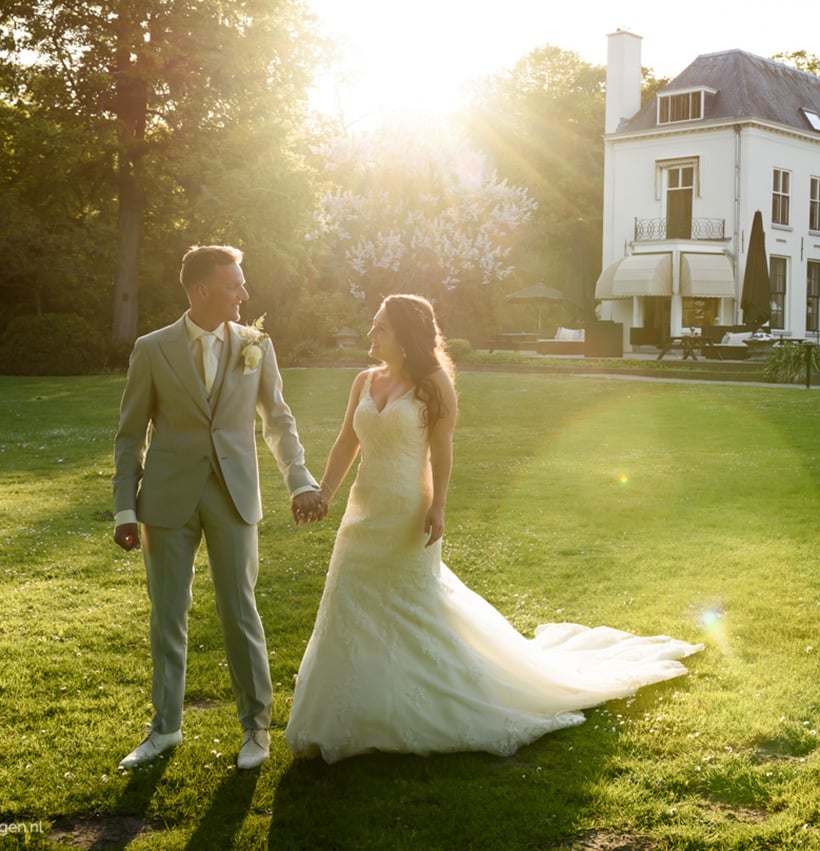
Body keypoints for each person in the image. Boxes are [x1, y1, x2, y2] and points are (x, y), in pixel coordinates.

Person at [285, 294, 701, 763]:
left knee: (414, 608)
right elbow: (346, 443)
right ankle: (351, 711)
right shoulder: (363, 381)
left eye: (379, 328)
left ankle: (432, 699)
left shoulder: (435, 385)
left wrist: (439, 506)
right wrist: (324, 493)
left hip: (407, 511)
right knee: (349, 603)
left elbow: (442, 453)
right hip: (362, 513)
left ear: (404, 336)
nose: (370, 335)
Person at [112, 245, 327, 771]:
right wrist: (123, 509)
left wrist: (299, 481)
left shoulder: (256, 344)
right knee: (168, 616)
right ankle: (164, 729)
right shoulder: (152, 348)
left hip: (234, 495)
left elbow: (278, 419)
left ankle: (256, 730)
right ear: (202, 290)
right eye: (235, 285)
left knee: (239, 611)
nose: (245, 294)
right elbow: (129, 434)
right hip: (165, 500)